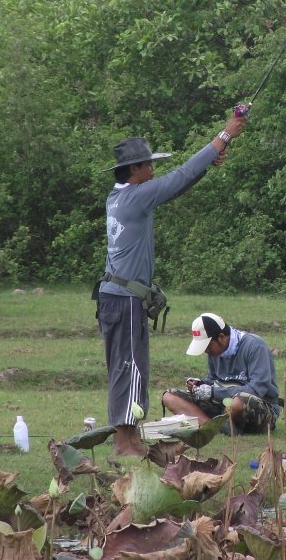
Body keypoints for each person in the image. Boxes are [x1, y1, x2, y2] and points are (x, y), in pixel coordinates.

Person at [96, 117, 245, 456]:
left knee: (125, 367)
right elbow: (179, 177)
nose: (152, 169)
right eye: (148, 164)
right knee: (132, 369)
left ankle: (128, 439)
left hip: (114, 297)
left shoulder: (119, 197)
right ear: (135, 169)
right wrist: (223, 136)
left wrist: (207, 166)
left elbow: (177, 185)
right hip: (125, 300)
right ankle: (125, 442)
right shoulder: (135, 198)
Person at [162, 312, 279, 435]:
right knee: (169, 397)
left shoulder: (255, 346)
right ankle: (212, 427)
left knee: (236, 403)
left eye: (207, 346)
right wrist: (200, 385)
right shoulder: (214, 352)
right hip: (222, 405)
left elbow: (257, 389)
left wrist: (213, 392)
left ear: (221, 337)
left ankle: (222, 425)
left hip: (256, 407)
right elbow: (212, 380)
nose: (205, 351)